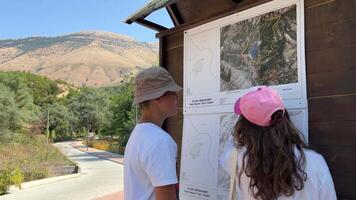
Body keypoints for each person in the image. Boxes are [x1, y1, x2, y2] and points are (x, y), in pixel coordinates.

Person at [220, 86, 337, 200]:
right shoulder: (314, 161)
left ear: (244, 126)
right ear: (284, 119)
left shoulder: (235, 159)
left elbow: (231, 145)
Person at [124, 67, 181, 200]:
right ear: (158, 97)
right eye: (173, 92)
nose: (177, 96)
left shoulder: (138, 134)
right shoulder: (160, 141)